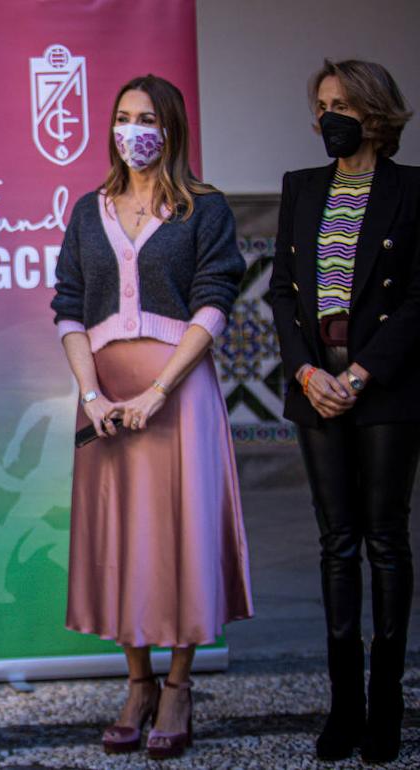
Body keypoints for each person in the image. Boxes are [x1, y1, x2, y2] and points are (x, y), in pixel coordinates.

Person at [50, 74, 252, 760]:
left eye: (146, 119)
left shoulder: (205, 208)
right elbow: (69, 306)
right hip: (105, 398)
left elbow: (215, 301)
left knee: (181, 533)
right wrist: (93, 396)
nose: (132, 131)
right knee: (121, 536)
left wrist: (159, 391)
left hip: (178, 392)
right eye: (123, 117)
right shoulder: (89, 210)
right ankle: (137, 684)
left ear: (171, 130)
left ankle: (178, 685)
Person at [266, 59, 419, 764]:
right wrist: (306, 371)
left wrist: (359, 373)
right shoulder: (301, 187)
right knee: (337, 542)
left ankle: (386, 706)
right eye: (322, 105)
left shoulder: (411, 190)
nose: (329, 117)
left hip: (384, 383)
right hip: (314, 380)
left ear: (376, 114)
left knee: (385, 540)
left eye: (343, 105)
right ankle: (344, 707)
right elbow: (282, 292)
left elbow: (418, 297)